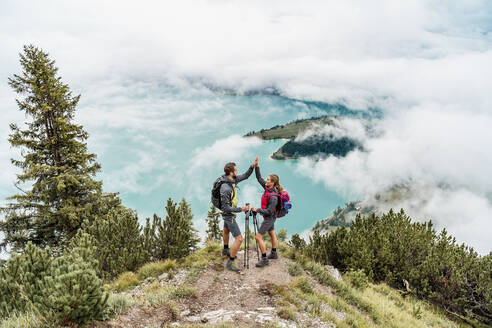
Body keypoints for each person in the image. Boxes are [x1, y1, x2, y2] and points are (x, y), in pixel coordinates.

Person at [220, 158, 257, 272]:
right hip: (229, 214)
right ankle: (230, 262)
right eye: (235, 170)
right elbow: (226, 207)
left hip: (226, 214)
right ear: (231, 172)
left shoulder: (232, 180)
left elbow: (245, 176)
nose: (237, 172)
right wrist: (242, 209)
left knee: (226, 230)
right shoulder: (226, 188)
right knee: (239, 239)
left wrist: (252, 166)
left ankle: (226, 250)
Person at [251, 157, 281, 268]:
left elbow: (269, 211)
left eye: (268, 180)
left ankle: (264, 259)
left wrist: (257, 210)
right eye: (267, 179)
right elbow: (259, 178)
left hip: (269, 217)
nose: (266, 181)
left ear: (273, 183)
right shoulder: (268, 188)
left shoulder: (273, 197)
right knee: (272, 233)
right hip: (270, 217)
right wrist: (256, 166)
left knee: (258, 237)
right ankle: (273, 253)